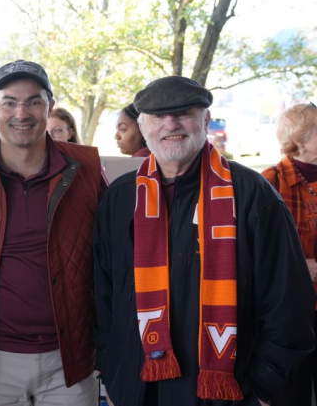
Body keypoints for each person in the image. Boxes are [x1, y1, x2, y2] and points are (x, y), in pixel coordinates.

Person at [94, 76, 315, 406]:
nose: (171, 123)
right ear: (144, 125)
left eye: (184, 112)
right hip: (136, 388)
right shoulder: (121, 196)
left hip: (226, 392)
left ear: (205, 119)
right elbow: (102, 293)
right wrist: (112, 374)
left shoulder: (252, 194)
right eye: (158, 116)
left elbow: (288, 304)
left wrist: (263, 388)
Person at [0, 59, 106, 405]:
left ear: (50, 107)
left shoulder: (87, 168)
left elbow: (112, 254)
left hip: (70, 360)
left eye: (34, 101)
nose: (22, 112)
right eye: (9, 102)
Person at [261, 101, 317, 405]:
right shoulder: (271, 181)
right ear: (300, 137)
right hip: (290, 310)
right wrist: (298, 266)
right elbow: (255, 250)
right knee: (289, 395)